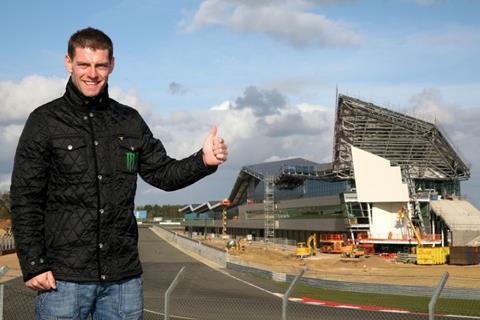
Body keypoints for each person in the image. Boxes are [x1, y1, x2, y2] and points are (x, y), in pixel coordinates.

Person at [10, 27, 228, 319]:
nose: (92, 73)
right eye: (84, 65)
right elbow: (26, 198)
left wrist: (203, 160)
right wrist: (34, 264)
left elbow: (163, 174)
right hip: (63, 278)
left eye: (100, 65)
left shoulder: (130, 121)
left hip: (122, 279)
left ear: (112, 65)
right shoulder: (44, 121)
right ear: (68, 63)